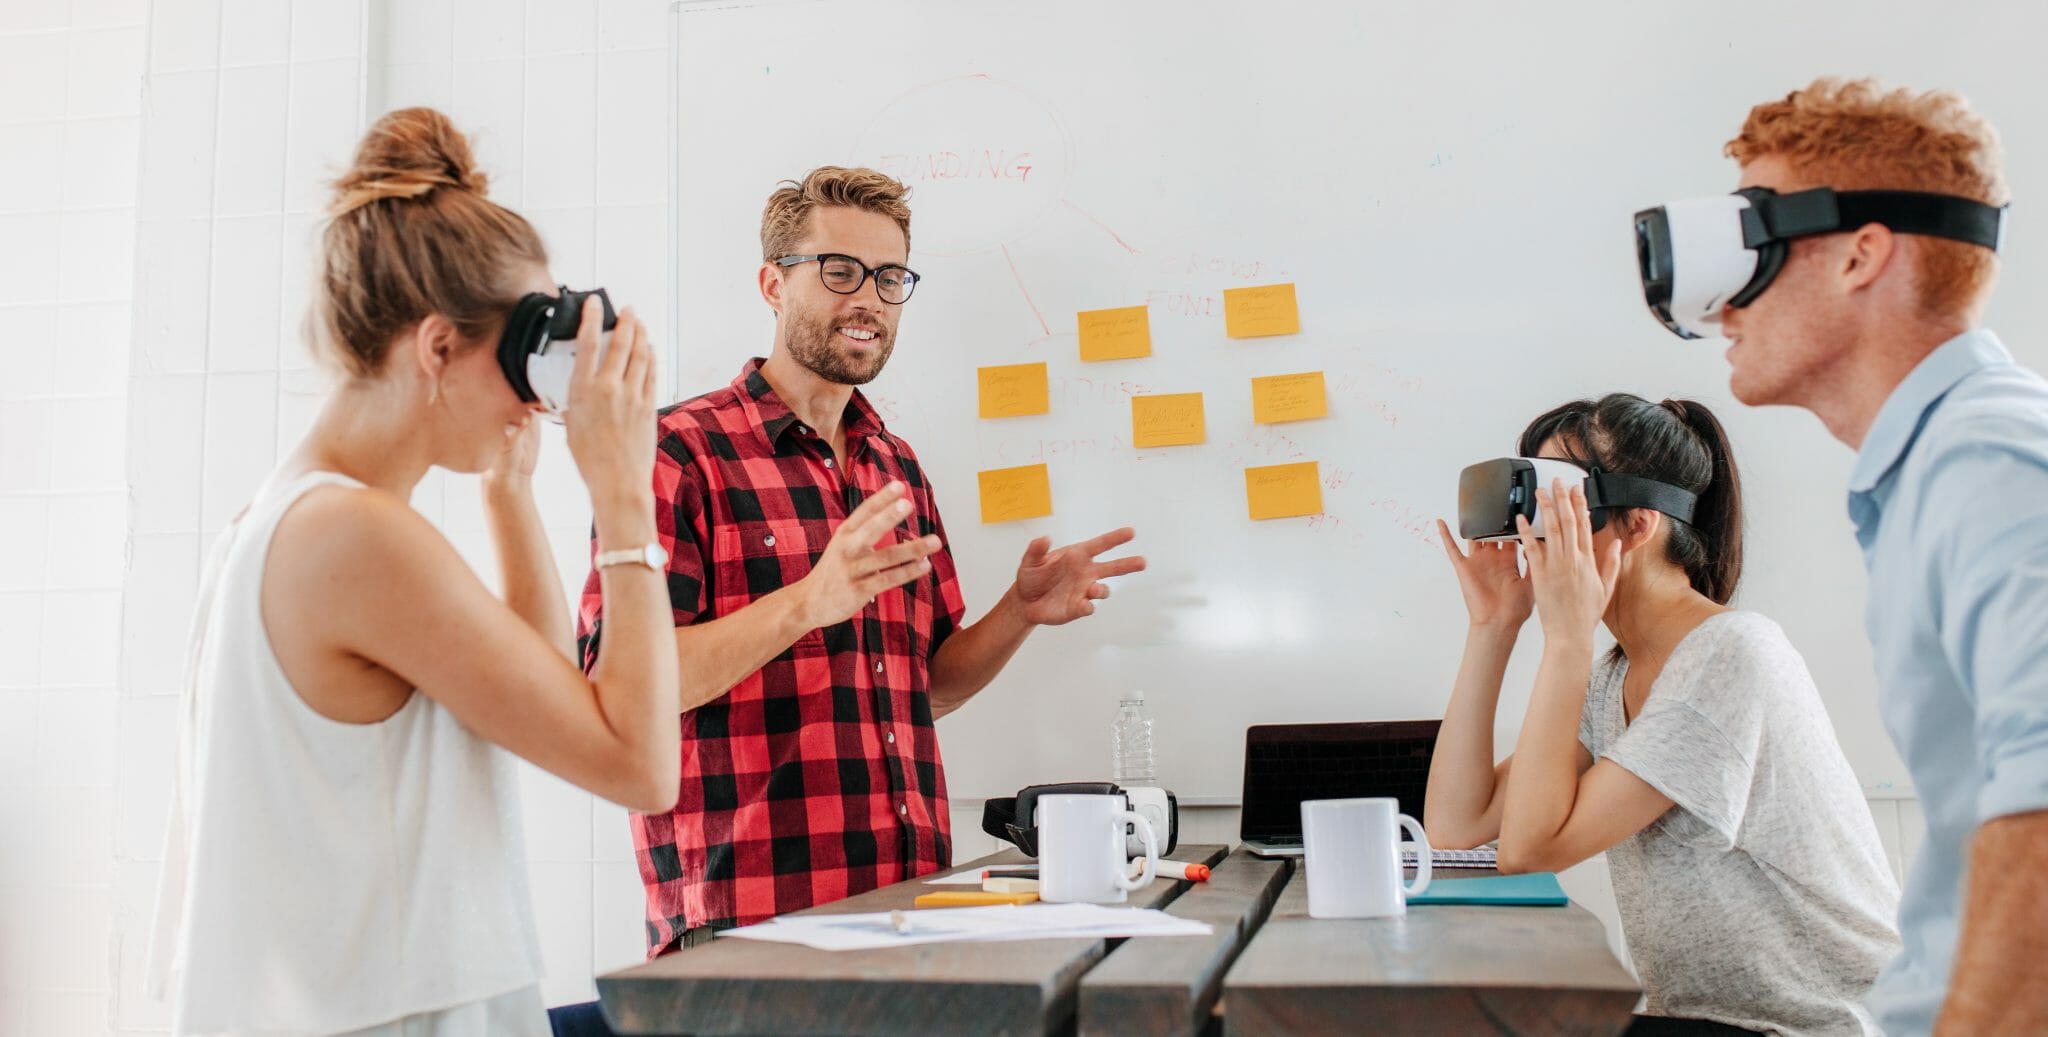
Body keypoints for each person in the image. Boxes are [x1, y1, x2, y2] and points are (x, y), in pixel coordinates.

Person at [145, 108, 676, 1036]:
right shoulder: (351, 536)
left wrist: (508, 495)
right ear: (437, 348)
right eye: (523, 355)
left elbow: (537, 699)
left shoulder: (278, 521)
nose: (536, 394)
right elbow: (639, 763)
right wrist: (624, 495)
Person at [576, 166, 1147, 955]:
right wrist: (808, 601)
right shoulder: (678, 452)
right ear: (773, 283)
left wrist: (1018, 613)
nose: (868, 298)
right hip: (749, 927)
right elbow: (624, 687)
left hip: (907, 909)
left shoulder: (895, 465)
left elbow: (929, 687)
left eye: (888, 278)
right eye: (838, 271)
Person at [1702, 77, 2048, 1035]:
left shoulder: (1990, 463)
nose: (1722, 302)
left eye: (1754, 248)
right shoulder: (1932, 471)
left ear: (1862, 256)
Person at [1427, 394, 1899, 1037]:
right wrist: (1493, 625)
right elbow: (1459, 828)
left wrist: (1567, 639)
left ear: (1638, 524)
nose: (1536, 532)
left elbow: (1530, 851)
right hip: (1704, 1021)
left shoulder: (1731, 656)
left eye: (1559, 504)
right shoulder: (1614, 677)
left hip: (1815, 1027)